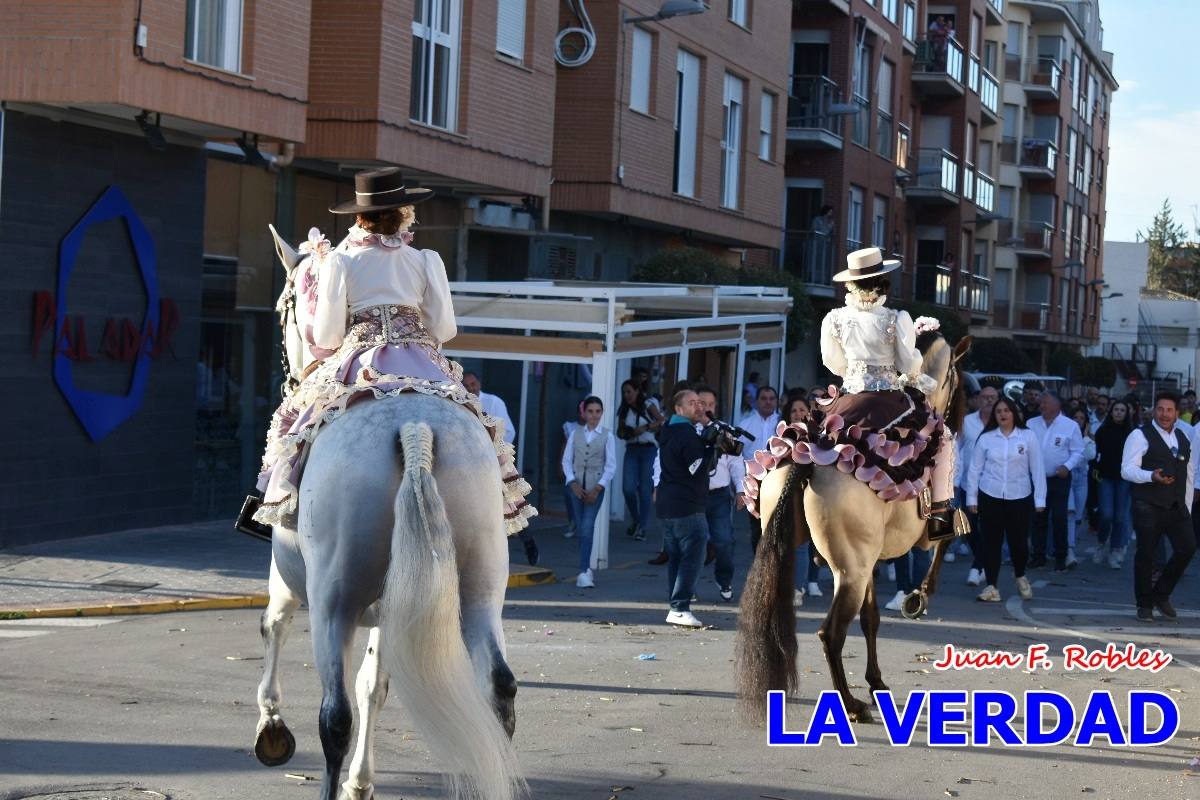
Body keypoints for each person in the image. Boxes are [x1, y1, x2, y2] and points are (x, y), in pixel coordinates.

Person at [249, 167, 535, 534]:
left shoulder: (340, 260)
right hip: (423, 361)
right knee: (476, 419)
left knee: (294, 418)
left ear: (359, 217)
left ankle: (272, 507)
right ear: (405, 213)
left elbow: (328, 334)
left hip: (360, 357)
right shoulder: (426, 260)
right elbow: (445, 329)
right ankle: (494, 504)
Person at [819, 247, 956, 538]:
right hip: (889, 399)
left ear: (851, 284)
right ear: (883, 282)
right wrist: (913, 377)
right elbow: (909, 363)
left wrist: (855, 374)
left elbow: (833, 362)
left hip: (847, 399)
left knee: (818, 440)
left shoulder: (833, 319)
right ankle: (940, 517)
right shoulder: (896, 318)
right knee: (941, 437)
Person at [1121, 391, 1196, 622]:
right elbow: (1126, 470)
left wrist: (1187, 505)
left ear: (1176, 413)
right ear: (1154, 410)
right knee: (1146, 555)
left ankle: (1161, 594)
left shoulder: (1183, 437)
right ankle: (1144, 603)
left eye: (1169, 410)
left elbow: (1189, 473)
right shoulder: (1139, 435)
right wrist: (1150, 476)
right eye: (1161, 409)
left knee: (1187, 548)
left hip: (1176, 506)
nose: (1165, 414)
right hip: (1148, 504)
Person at [966, 396, 1047, 602]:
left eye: (1006, 410)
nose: (1002, 414)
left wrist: (1040, 500)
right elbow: (975, 469)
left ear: (1014, 413)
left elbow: (1037, 468)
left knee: (1019, 543)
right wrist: (971, 498)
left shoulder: (1027, 437)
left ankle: (1020, 574)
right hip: (990, 494)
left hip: (1019, 496)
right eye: (998, 411)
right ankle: (992, 586)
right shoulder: (986, 438)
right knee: (990, 542)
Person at [656, 389, 719, 628]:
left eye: (699, 402)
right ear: (679, 409)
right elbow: (697, 467)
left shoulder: (670, 431)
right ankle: (680, 607)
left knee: (676, 557)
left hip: (669, 505)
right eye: (692, 403)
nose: (698, 407)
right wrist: (711, 446)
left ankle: (676, 606)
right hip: (687, 506)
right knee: (692, 557)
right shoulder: (685, 433)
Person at [695, 385, 746, 603]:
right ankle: (689, 587)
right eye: (702, 404)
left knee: (724, 541)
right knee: (694, 543)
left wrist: (741, 490)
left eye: (710, 404)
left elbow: (735, 462)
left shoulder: (725, 429)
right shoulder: (688, 429)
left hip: (720, 495)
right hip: (694, 496)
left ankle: (723, 580)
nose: (706, 408)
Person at [562, 396, 617, 588]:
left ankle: (583, 570)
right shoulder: (575, 433)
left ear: (601, 413)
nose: (594, 416)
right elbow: (566, 461)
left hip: (595, 487)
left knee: (587, 526)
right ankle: (585, 568)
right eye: (591, 411)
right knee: (581, 528)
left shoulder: (607, 435)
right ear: (584, 413)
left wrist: (598, 487)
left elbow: (611, 466)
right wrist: (572, 483)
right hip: (576, 487)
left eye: (598, 412)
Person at [1026, 391, 1084, 571]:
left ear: (1057, 405)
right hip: (1037, 479)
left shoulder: (1070, 426)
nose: (1041, 406)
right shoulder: (1031, 423)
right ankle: (1038, 556)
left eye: (1045, 403)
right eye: (1041, 403)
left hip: (1059, 479)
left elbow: (1078, 451)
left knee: (1059, 518)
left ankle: (1061, 556)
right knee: (1038, 518)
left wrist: (1067, 466)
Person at [957, 385, 998, 587]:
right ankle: (981, 561)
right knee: (968, 527)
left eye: (993, 397)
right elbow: (957, 450)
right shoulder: (967, 422)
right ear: (979, 399)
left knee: (989, 527)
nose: (989, 400)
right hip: (968, 484)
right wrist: (953, 481)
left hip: (993, 485)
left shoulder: (1002, 422)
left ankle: (977, 566)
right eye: (985, 397)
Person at [617, 379, 664, 542]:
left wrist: (645, 428)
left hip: (648, 449)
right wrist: (629, 432)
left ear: (637, 391)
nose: (626, 395)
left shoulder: (647, 404)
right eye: (624, 392)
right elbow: (620, 431)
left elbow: (661, 421)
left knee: (645, 490)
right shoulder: (623, 409)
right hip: (631, 449)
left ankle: (642, 527)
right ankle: (636, 519)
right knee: (628, 488)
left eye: (629, 391)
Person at [738, 385, 780, 553]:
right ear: (756, 401)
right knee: (757, 526)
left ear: (777, 401)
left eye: (771, 399)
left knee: (777, 526)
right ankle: (759, 564)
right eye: (764, 398)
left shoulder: (783, 423)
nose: (768, 402)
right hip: (754, 484)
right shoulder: (745, 424)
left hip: (779, 480)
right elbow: (736, 457)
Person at [1093, 399, 1134, 569]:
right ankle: (1102, 543)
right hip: (1106, 478)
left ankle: (1115, 550)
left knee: (1119, 517)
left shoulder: (1132, 434)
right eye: (1116, 409)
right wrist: (1095, 471)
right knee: (1106, 514)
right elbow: (1096, 454)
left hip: (1124, 479)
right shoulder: (1102, 431)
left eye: (1122, 410)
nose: (1118, 412)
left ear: (1126, 413)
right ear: (1111, 412)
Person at [1067, 408, 1097, 566]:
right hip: (1068, 477)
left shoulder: (1087, 439)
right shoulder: (1066, 435)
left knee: (1078, 515)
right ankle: (1069, 550)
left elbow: (1091, 455)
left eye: (1081, 418)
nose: (1078, 420)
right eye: (1075, 417)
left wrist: (1084, 436)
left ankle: (1069, 543)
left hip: (1082, 479)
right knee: (1070, 512)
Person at [463, 372, 515, 445]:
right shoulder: (460, 404)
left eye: (473, 384)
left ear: (479, 384)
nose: (470, 388)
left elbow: (509, 432)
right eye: (466, 386)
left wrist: (495, 452)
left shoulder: (494, 402)